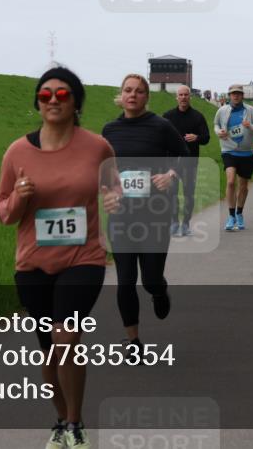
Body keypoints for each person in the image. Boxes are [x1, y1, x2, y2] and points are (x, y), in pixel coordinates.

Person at [0, 67, 120, 449]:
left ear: (76, 102)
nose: (52, 100)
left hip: (84, 258)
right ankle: (61, 420)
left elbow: (113, 187)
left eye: (62, 95)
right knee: (50, 348)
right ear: (37, 101)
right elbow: (3, 213)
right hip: (33, 264)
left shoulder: (98, 147)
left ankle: (76, 424)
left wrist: (115, 200)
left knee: (66, 337)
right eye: (45, 94)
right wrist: (20, 196)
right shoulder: (18, 151)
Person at [102, 74, 189, 349]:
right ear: (121, 94)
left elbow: (185, 155)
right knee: (125, 281)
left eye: (139, 91)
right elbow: (104, 169)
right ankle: (133, 341)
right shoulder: (109, 130)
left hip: (154, 214)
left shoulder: (160, 126)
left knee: (149, 279)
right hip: (122, 216)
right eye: (128, 90)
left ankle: (159, 291)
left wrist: (171, 175)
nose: (133, 95)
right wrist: (108, 192)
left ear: (146, 97)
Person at [213, 84, 253, 231]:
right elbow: (216, 124)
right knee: (230, 182)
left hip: (247, 152)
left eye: (238, 94)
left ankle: (239, 213)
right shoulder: (222, 110)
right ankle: (231, 216)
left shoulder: (251, 111)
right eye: (233, 94)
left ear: (242, 95)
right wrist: (219, 132)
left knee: (243, 185)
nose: (236, 96)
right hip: (228, 150)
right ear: (229, 95)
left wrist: (250, 127)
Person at [162, 85, 211, 237]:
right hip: (171, 163)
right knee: (172, 193)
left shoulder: (198, 117)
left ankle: (186, 224)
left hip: (190, 162)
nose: (183, 97)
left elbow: (206, 138)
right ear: (176, 97)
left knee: (189, 193)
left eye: (186, 95)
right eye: (180, 95)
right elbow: (160, 137)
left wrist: (197, 137)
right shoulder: (168, 116)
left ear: (190, 97)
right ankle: (174, 222)